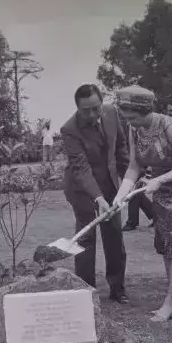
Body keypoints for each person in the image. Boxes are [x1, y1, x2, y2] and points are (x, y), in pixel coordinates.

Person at [112, 86, 172, 321]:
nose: (130, 123)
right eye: (126, 118)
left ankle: (171, 302)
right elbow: (135, 164)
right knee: (167, 244)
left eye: (133, 118)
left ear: (145, 111)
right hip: (159, 190)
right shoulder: (134, 129)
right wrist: (121, 193)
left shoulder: (168, 126)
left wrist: (161, 179)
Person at [61, 83, 130, 303]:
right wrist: (97, 198)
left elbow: (121, 148)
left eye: (95, 108)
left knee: (114, 237)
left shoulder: (111, 112)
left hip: (110, 187)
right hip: (82, 191)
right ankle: (86, 294)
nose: (91, 114)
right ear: (77, 108)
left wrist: (129, 179)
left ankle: (118, 289)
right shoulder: (69, 129)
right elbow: (81, 168)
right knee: (86, 240)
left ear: (102, 103)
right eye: (85, 110)